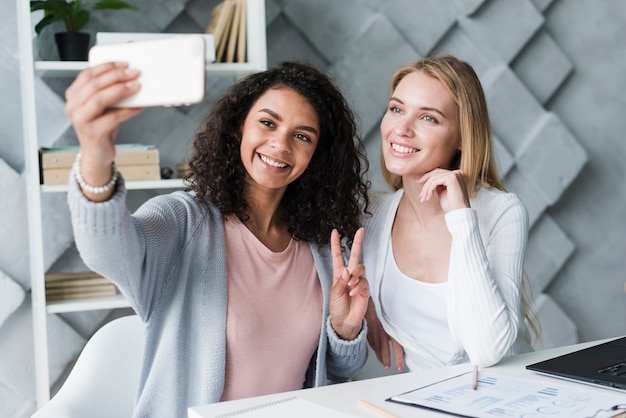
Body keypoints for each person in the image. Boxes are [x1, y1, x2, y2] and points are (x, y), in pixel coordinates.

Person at [64, 61, 371, 418]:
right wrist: (95, 154)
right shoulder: (184, 223)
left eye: (302, 136)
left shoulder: (324, 248)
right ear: (239, 126)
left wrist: (345, 330)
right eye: (268, 123)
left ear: (318, 155)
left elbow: (337, 372)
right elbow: (106, 251)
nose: (280, 144)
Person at [362, 55, 537, 374]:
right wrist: (367, 308)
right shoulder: (371, 213)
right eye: (397, 109)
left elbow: (488, 350)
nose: (401, 129)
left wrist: (462, 220)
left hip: (506, 397)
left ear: (461, 137)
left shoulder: (501, 210)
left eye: (428, 118)